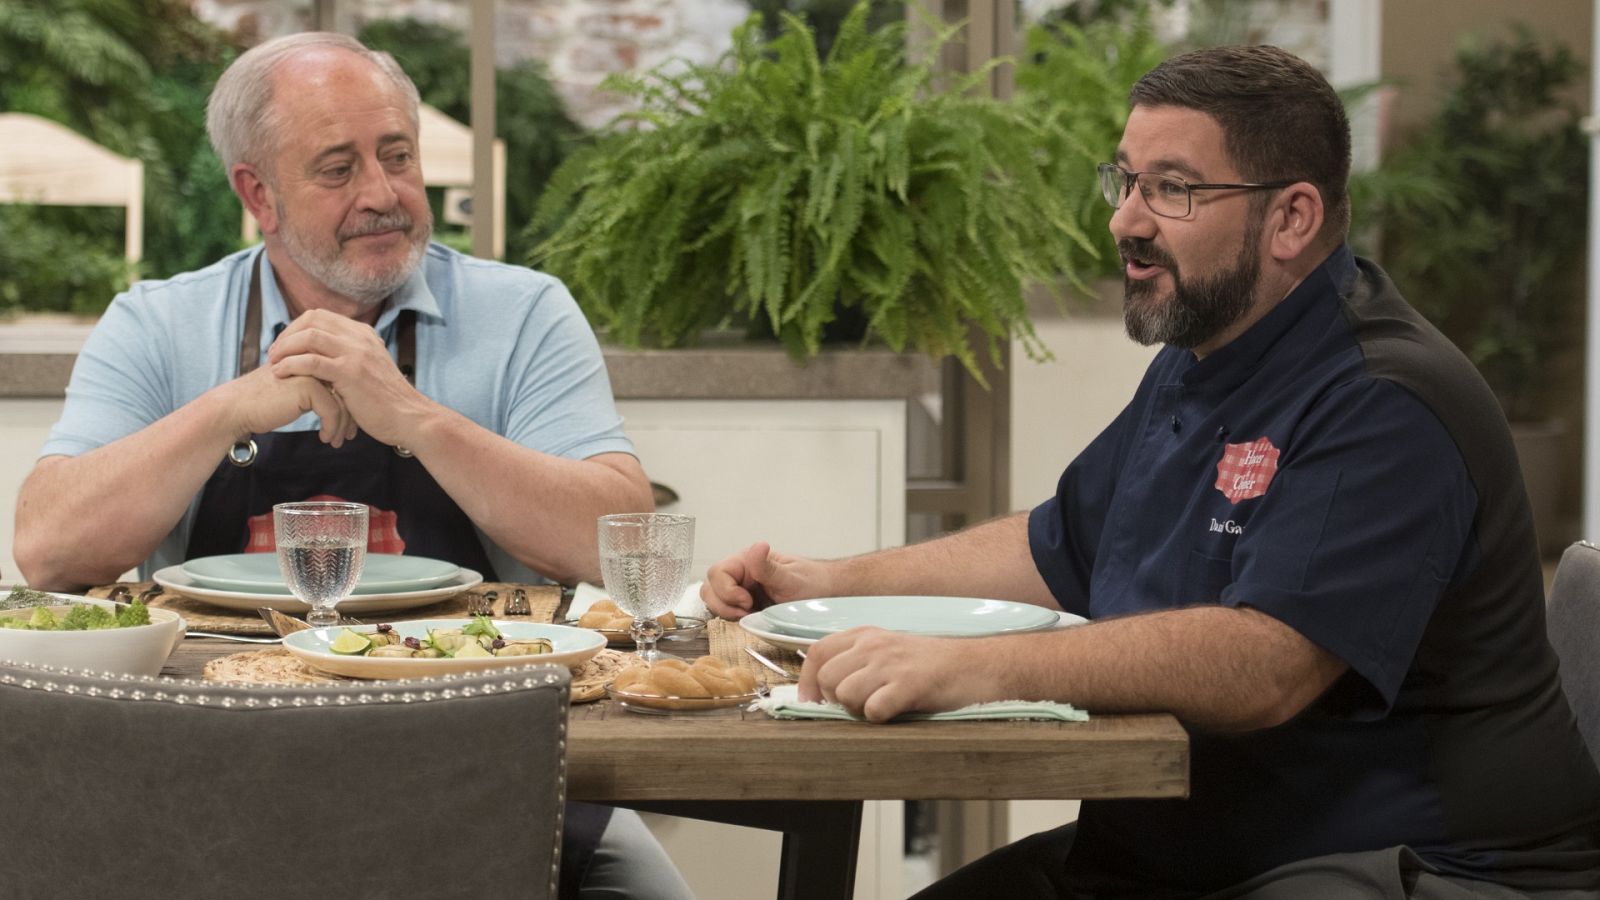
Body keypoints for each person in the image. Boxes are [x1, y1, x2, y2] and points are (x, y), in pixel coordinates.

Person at [703, 45, 1600, 899]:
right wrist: (826, 586)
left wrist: (975, 668)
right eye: (1126, 180)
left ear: (1292, 218)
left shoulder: (1384, 401)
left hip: (1404, 868)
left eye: (1172, 189)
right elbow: (1059, 545)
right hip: (1187, 854)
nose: (1124, 220)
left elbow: (1265, 662)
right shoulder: (1203, 353)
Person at [13, 32, 692, 900]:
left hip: (493, 764)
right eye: (337, 169)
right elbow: (49, 550)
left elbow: (615, 544)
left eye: (397, 156)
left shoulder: (524, 313)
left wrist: (411, 415)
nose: (383, 195)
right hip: (213, 774)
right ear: (258, 193)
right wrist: (235, 405)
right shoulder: (156, 324)